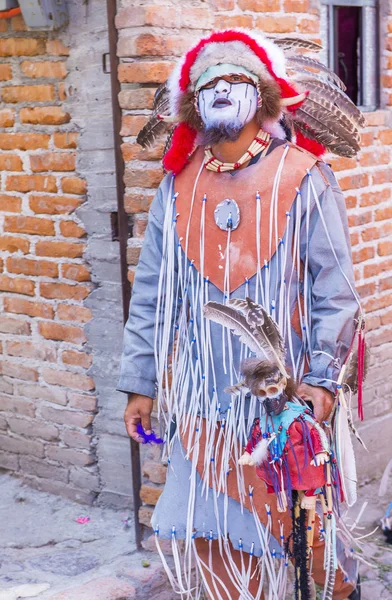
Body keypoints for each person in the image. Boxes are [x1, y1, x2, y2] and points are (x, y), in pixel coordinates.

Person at [118, 29, 365, 600]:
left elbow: (338, 294)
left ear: (264, 98)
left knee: (306, 541)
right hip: (201, 398)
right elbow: (152, 290)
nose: (223, 92)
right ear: (192, 104)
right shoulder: (176, 187)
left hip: (284, 403)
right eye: (210, 84)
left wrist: (323, 382)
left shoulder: (306, 176)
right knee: (211, 538)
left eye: (237, 82)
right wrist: (139, 382)